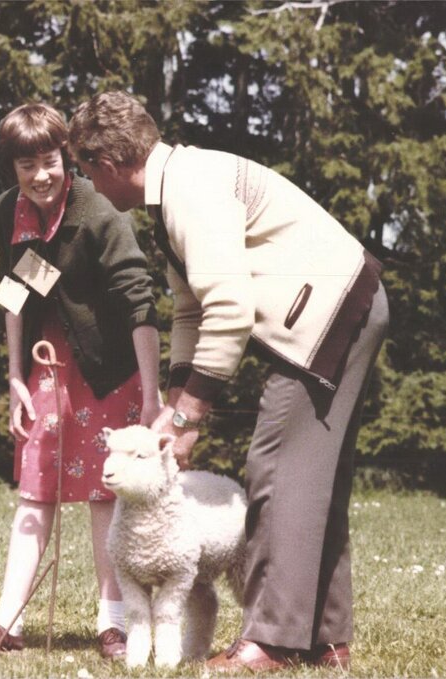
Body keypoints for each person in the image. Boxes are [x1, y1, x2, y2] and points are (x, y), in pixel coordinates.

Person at [67, 91, 389, 673]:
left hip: (327, 316)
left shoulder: (189, 192)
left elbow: (231, 310)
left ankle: (272, 642)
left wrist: (190, 418)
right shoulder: (174, 190)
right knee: (313, 483)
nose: (86, 182)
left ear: (109, 165)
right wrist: (171, 406)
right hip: (349, 302)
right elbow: (191, 310)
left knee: (277, 472)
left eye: (84, 169)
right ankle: (326, 640)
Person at [0, 103, 162, 659]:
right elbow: (15, 293)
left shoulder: (98, 211)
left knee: (104, 494)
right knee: (34, 489)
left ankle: (112, 624)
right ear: (12, 169)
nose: (42, 175)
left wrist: (152, 394)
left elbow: (140, 303)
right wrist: (15, 377)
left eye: (50, 161)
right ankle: (7, 624)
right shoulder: (6, 213)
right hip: (48, 366)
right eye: (28, 166)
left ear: (64, 157)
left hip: (111, 370)